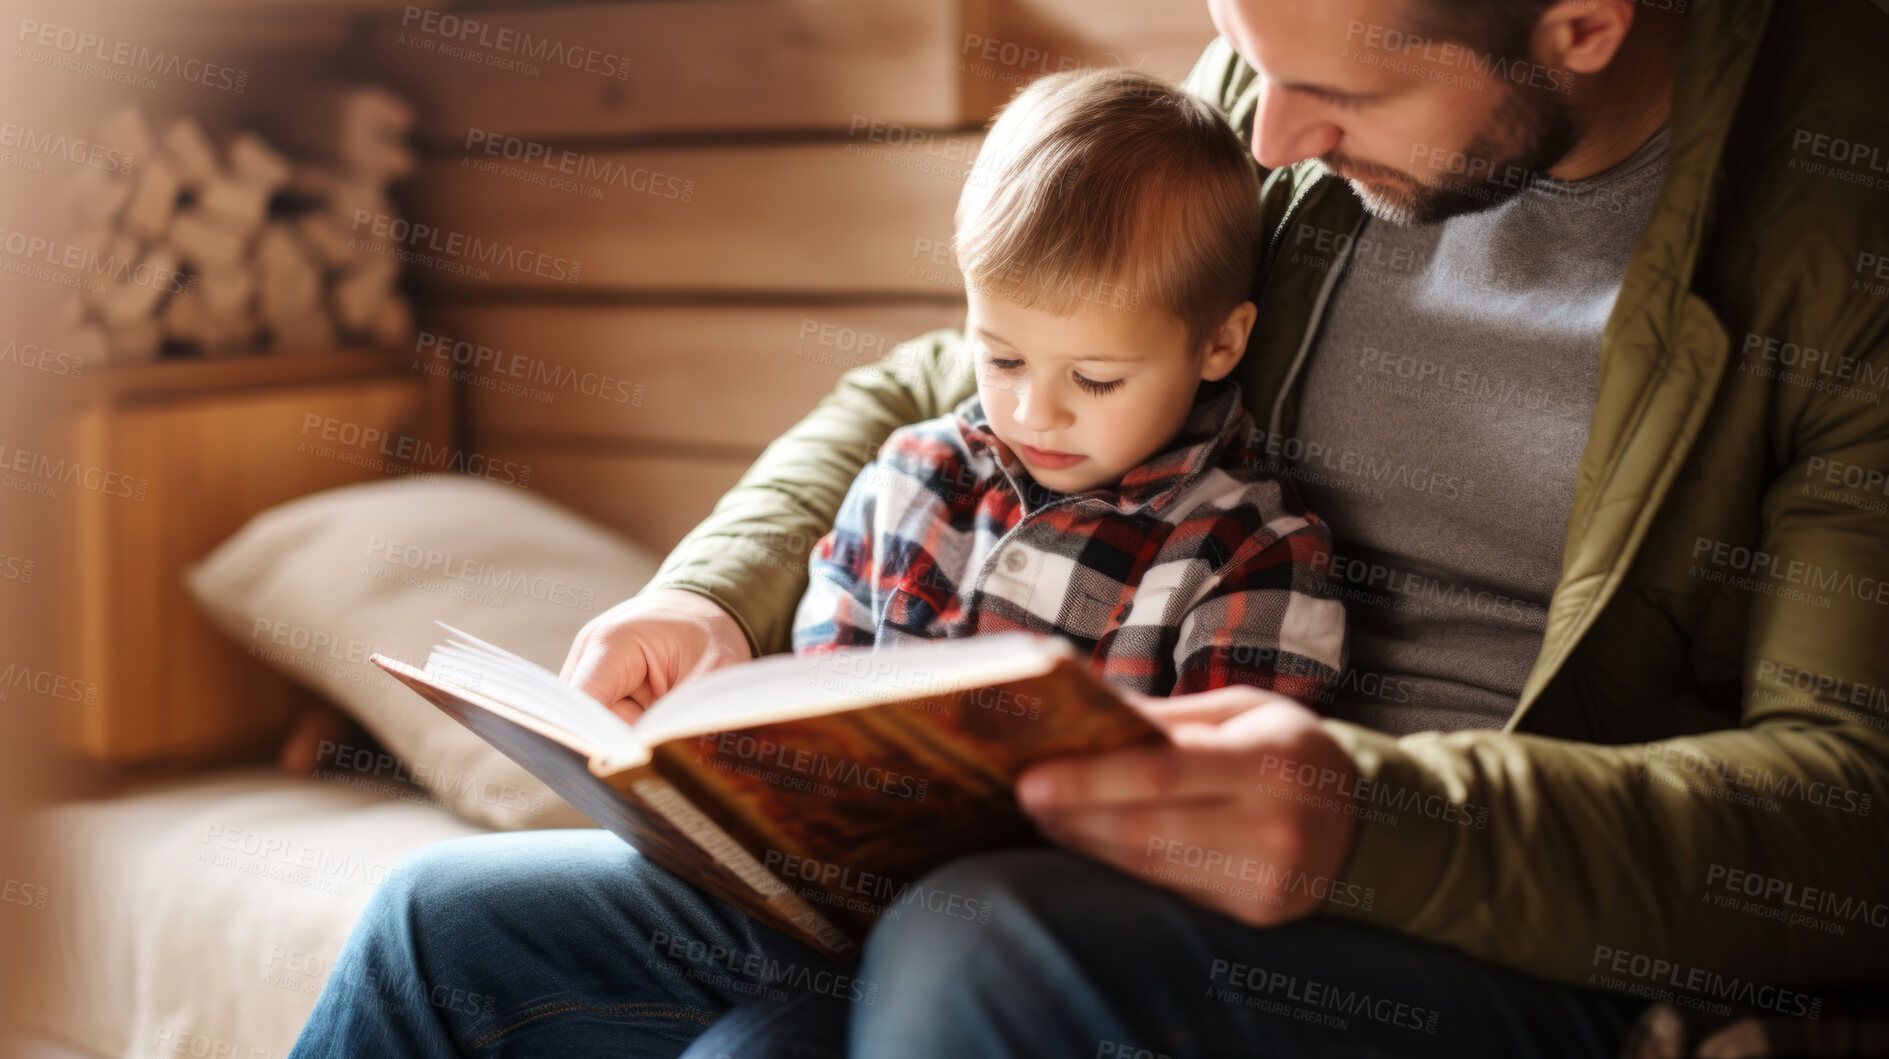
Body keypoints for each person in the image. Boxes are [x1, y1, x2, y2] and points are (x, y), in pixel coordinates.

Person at [288, 0, 1889, 1056]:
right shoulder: (1287, 73)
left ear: (1584, 23)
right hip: (1078, 838)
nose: (1266, 146)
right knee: (437, 928)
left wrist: (1360, 813)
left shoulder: (1840, 229)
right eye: (1240, 54)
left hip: (1462, 916)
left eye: (1333, 93)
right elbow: (945, 379)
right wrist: (715, 595)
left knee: (983, 940)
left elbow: (1845, 805)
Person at [791, 68, 1346, 706]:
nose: (1035, 413)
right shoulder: (910, 479)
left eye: (1095, 379)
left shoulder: (1251, 552)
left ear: (1220, 344)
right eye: (1002, 360)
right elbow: (812, 700)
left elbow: (1235, 781)